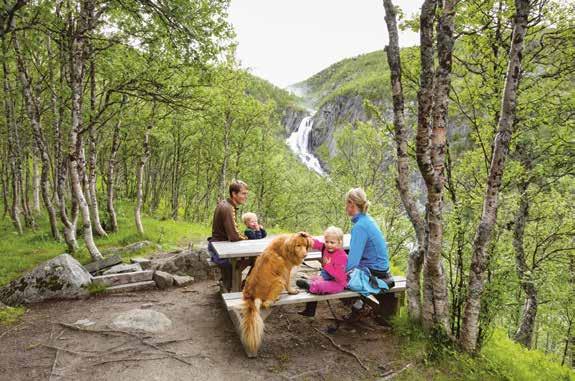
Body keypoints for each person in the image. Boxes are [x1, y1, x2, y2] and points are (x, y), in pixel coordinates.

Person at [344, 187, 394, 322]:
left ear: (351, 204)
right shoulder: (367, 220)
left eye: (346, 203)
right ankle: (359, 305)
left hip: (374, 272)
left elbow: (352, 263)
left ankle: (360, 306)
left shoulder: (359, 226)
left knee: (337, 276)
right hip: (382, 269)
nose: (345, 207)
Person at [296, 226, 348, 317]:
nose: (329, 245)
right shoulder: (325, 248)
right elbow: (315, 243)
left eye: (332, 242)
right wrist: (306, 237)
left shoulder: (341, 256)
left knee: (319, 285)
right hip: (326, 277)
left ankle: (310, 286)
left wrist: (328, 265)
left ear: (339, 242)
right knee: (314, 280)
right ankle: (310, 310)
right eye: (327, 242)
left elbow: (340, 277)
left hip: (337, 283)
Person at [208, 180, 249, 290]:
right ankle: (241, 287)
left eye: (246, 194)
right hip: (219, 250)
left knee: (250, 258)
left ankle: (235, 285)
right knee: (257, 259)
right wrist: (247, 239)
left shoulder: (226, 204)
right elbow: (234, 236)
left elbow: (233, 232)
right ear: (234, 194)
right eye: (243, 193)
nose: (246, 196)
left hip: (218, 246)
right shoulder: (228, 208)